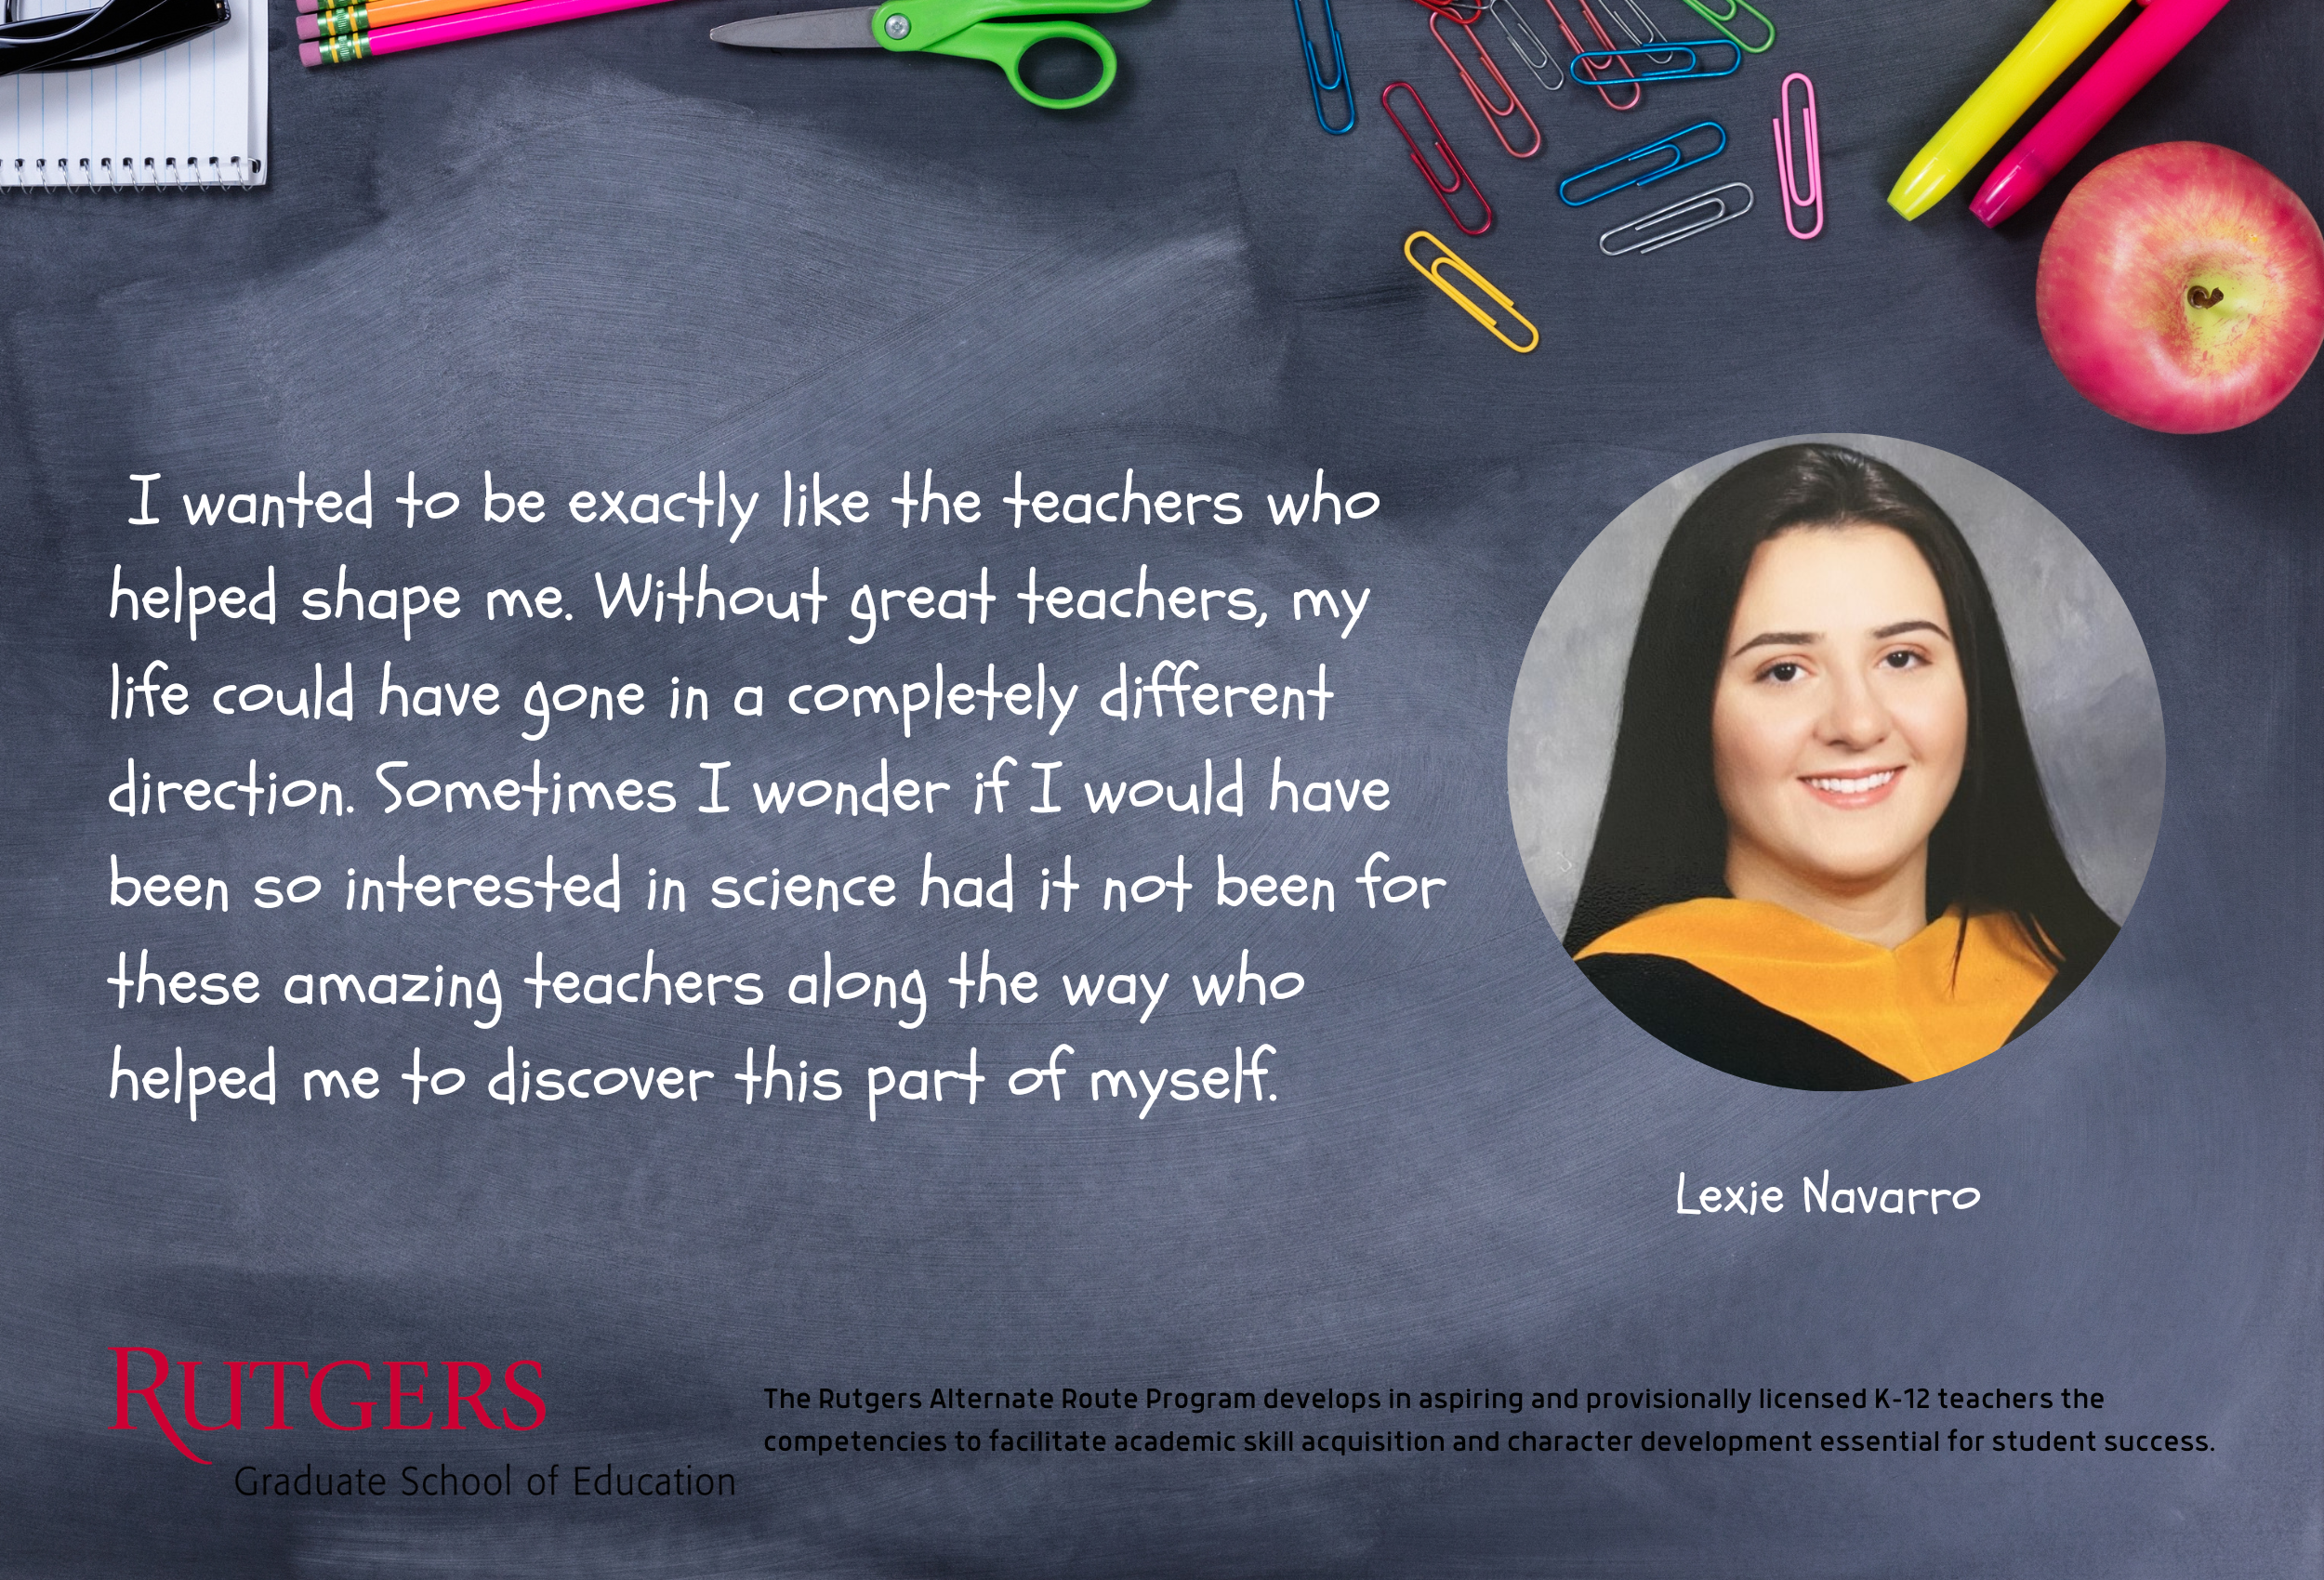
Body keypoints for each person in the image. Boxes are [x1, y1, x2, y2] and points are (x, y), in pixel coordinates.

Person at [1564, 443, 2119, 1089]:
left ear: (1974, 689)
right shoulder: (1601, 1031)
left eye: (1903, 658)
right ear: (1691, 713)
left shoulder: (2101, 982)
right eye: (1784, 671)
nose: (1857, 725)